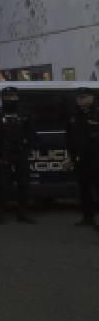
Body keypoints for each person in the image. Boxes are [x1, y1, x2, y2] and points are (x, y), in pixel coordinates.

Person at [0, 86, 36, 224]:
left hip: (21, 153)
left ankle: (23, 214)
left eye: (13, 96)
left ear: (17, 97)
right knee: (2, 186)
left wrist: (26, 147)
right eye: (7, 97)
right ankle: (2, 215)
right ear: (3, 98)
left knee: (24, 185)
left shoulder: (25, 113)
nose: (10, 99)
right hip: (4, 154)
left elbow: (32, 133)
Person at [65, 87, 99, 230]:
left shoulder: (97, 113)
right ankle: (87, 217)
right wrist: (70, 158)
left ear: (91, 98)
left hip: (97, 158)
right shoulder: (74, 115)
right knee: (84, 190)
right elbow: (70, 138)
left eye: (84, 97)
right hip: (81, 159)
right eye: (79, 97)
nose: (81, 100)